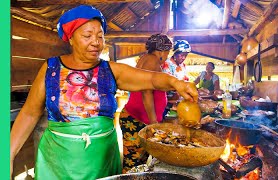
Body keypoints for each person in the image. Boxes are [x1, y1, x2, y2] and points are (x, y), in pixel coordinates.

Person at [9, 5, 198, 180]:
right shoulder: (51, 69)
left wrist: (176, 83)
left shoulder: (111, 71)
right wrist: (8, 154)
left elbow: (151, 79)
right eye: (88, 35)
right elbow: (29, 112)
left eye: (100, 36)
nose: (96, 43)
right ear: (71, 38)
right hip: (59, 162)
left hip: (102, 161)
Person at [119, 34, 173, 173]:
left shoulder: (146, 58)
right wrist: (153, 121)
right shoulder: (152, 61)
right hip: (137, 119)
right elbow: (146, 92)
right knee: (133, 163)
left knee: (139, 163)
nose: (167, 56)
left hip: (137, 118)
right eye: (167, 53)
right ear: (161, 51)